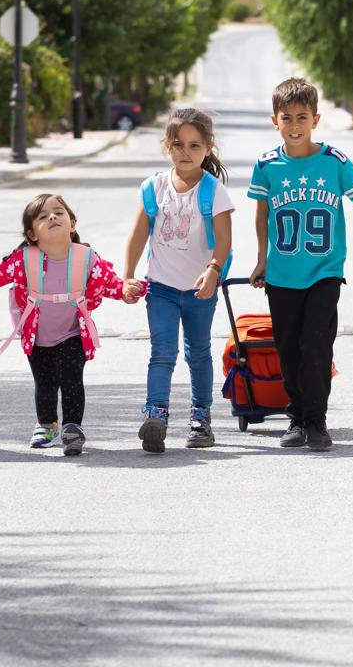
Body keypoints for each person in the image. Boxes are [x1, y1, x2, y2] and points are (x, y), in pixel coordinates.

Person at [247, 77, 353, 451]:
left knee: (316, 345)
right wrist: (262, 260)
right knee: (289, 348)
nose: (295, 126)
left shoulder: (334, 161)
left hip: (324, 271)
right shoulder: (267, 166)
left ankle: (316, 419)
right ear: (275, 121)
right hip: (282, 274)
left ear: (316, 119)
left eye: (302, 117)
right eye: (287, 118)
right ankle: (296, 416)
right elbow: (261, 213)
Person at [0, 195, 141, 456]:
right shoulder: (23, 259)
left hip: (73, 332)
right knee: (44, 383)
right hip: (37, 336)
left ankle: (72, 427)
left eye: (58, 213)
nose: (52, 218)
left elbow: (110, 283)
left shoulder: (87, 257)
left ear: (72, 224)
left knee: (71, 378)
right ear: (32, 234)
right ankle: (46, 424)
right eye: (43, 217)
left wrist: (127, 289)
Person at [124, 108, 234, 453]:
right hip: (161, 288)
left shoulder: (213, 190)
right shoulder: (153, 187)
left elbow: (226, 238)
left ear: (208, 147)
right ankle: (155, 414)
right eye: (178, 144)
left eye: (194, 145)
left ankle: (200, 418)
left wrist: (213, 270)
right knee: (162, 352)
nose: (185, 152)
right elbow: (138, 234)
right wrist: (127, 276)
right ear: (166, 146)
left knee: (198, 353)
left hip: (201, 288)